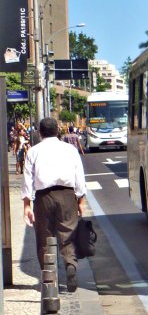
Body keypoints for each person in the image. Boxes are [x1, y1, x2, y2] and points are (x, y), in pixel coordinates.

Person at [22, 117, 87, 293]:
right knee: (68, 234)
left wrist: (27, 204)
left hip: (43, 197)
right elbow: (79, 175)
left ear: (39, 132)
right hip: (67, 195)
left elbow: (28, 179)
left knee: (44, 237)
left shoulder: (33, 151)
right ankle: (70, 264)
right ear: (57, 131)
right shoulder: (70, 150)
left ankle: (49, 278)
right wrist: (81, 200)